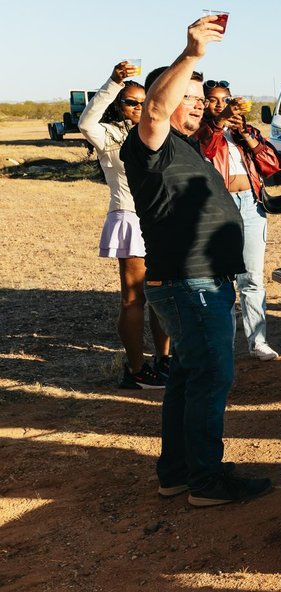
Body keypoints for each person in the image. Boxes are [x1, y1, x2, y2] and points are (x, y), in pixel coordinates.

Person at [120, 17, 271, 507]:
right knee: (211, 379)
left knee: (188, 378)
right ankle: (206, 482)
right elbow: (156, 109)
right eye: (191, 96)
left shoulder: (187, 148)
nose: (201, 104)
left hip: (199, 281)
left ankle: (178, 473)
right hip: (191, 283)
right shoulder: (151, 143)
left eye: (203, 98)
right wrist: (192, 55)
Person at [78, 63, 170, 389]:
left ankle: (164, 360)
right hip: (129, 217)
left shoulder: (157, 131)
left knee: (162, 294)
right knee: (134, 298)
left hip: (161, 219)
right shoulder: (109, 135)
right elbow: (86, 121)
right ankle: (135, 369)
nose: (138, 108)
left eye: (144, 102)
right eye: (131, 102)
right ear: (120, 104)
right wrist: (113, 82)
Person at [198, 80, 281, 361]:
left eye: (225, 99)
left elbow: (271, 165)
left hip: (251, 203)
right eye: (212, 99)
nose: (220, 104)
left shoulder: (245, 131)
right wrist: (221, 122)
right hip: (219, 206)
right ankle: (224, 346)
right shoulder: (201, 130)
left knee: (252, 277)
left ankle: (258, 341)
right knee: (221, 279)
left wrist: (245, 133)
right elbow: (207, 149)